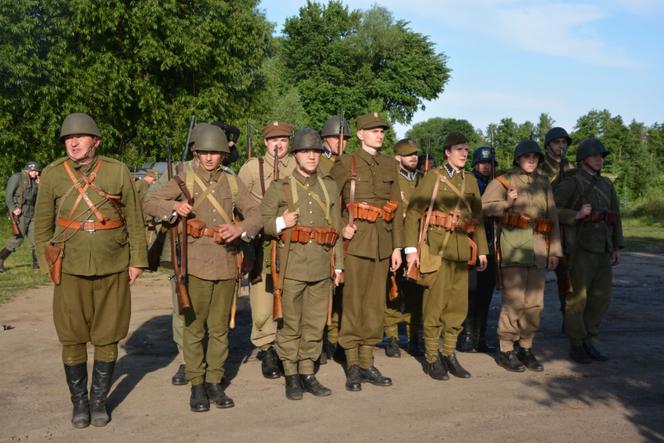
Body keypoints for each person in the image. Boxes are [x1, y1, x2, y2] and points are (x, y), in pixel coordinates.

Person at [34, 112, 148, 428]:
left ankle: (99, 401)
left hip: (113, 265)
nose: (73, 142)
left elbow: (136, 222)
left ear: (95, 141)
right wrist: (48, 264)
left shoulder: (117, 171)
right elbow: (41, 225)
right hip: (68, 266)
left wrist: (137, 261)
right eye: (68, 138)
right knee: (71, 336)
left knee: (107, 335)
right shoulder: (54, 174)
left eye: (80, 137)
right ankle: (79, 403)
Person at [144, 123, 261, 411]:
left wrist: (240, 228)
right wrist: (174, 209)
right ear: (196, 153)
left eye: (215, 153)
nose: (209, 158)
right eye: (204, 152)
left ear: (223, 154)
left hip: (225, 262)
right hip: (194, 263)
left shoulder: (233, 183)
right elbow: (149, 201)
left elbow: (257, 214)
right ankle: (197, 384)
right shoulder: (184, 178)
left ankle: (214, 382)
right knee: (194, 328)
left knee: (219, 329)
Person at [261, 128, 343, 399]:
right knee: (291, 323)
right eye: (306, 151)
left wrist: (339, 266)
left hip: (321, 265)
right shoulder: (280, 186)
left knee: (315, 322)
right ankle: (291, 373)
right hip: (291, 265)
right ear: (295, 155)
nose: (311, 156)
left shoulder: (329, 185)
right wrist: (282, 222)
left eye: (316, 152)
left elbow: (337, 230)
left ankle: (307, 370)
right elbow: (263, 223)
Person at [404, 132, 488, 381]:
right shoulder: (434, 176)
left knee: (457, 308)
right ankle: (432, 357)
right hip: (437, 248)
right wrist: (411, 251)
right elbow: (413, 213)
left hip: (462, 249)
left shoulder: (470, 180)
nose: (464, 153)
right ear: (447, 152)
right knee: (435, 306)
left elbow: (478, 217)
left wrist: (482, 249)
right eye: (459, 149)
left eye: (466, 149)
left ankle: (449, 353)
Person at [329, 112, 404, 391]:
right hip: (355, 243)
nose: (379, 134)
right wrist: (340, 228)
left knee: (375, 306)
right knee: (353, 305)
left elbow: (396, 209)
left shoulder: (389, 165)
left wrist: (398, 246)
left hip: (382, 244)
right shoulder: (344, 163)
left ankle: (367, 361)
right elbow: (330, 203)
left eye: (382, 130)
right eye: (373, 130)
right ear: (360, 134)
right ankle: (352, 365)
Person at [482, 140, 562, 372]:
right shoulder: (504, 181)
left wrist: (554, 250)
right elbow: (483, 206)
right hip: (514, 248)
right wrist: (506, 204)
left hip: (538, 248)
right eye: (526, 156)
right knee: (514, 301)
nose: (531, 160)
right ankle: (506, 348)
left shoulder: (543, 183)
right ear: (518, 159)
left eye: (535, 157)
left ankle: (526, 347)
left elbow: (553, 217)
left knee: (535, 303)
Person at [554, 138, 622, 364]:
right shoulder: (572, 183)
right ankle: (576, 343)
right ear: (583, 159)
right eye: (595, 156)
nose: (599, 159)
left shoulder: (606, 185)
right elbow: (552, 209)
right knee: (577, 299)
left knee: (601, 298)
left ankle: (589, 339)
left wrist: (617, 245)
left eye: (601, 156)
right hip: (580, 248)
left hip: (603, 247)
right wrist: (576, 215)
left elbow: (615, 217)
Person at [238, 121, 295, 379]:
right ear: (265, 143)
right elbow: (239, 204)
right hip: (261, 241)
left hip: (292, 241)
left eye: (283, 139)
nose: (278, 144)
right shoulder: (251, 168)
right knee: (262, 301)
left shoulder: (297, 165)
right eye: (273, 140)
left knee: (291, 295)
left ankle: (288, 347)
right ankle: (267, 348)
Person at [383, 138, 424, 358]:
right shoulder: (391, 179)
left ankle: (414, 335)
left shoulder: (424, 180)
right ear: (398, 157)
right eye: (409, 154)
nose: (414, 157)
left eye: (415, 154)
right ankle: (391, 336)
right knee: (393, 290)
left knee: (415, 292)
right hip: (395, 240)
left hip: (418, 242)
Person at [457, 146, 498, 353]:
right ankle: (466, 335)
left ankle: (481, 337)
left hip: (492, 242)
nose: (486, 166)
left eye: (489, 163)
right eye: (482, 163)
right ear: (475, 165)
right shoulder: (467, 183)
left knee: (486, 293)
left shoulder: (498, 184)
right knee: (469, 291)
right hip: (471, 240)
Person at [318, 114, 350, 362]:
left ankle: (336, 337)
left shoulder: (350, 164)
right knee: (323, 290)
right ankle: (320, 339)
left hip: (347, 231)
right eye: (335, 137)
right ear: (325, 139)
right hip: (326, 229)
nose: (340, 142)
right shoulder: (318, 163)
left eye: (344, 139)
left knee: (342, 289)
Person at [538, 127, 575, 325]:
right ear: (548, 145)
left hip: (567, 227)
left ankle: (568, 318)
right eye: (557, 142)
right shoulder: (540, 168)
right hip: (544, 226)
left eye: (564, 142)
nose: (561, 146)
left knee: (567, 277)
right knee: (534, 276)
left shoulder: (572, 167)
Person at [1, 161, 41, 271]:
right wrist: (13, 209)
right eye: (34, 171)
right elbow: (8, 195)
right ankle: (0, 259)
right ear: (28, 169)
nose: (36, 173)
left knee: (36, 239)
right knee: (18, 239)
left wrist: (40, 185)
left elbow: (38, 197)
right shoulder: (17, 177)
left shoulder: (35, 181)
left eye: (37, 171)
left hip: (32, 212)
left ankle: (37, 264)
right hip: (20, 213)